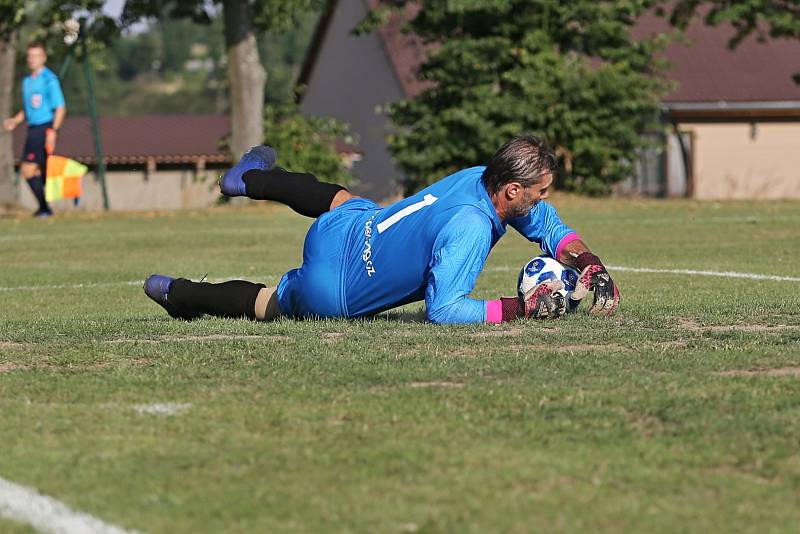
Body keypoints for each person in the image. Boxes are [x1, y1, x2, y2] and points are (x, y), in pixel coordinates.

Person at [144, 134, 620, 324]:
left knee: (348, 202)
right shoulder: (473, 228)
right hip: (333, 293)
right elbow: (445, 311)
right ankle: (180, 293)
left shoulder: (480, 177)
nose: (544, 199)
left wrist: (588, 262)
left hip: (342, 233)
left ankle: (246, 179)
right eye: (539, 191)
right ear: (513, 191)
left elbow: (548, 226)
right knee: (270, 303)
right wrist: (522, 308)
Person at [3, 42, 67, 217]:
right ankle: (45, 207)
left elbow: (60, 107)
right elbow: (28, 108)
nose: (32, 59)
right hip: (32, 128)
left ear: (44, 58)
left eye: (36, 56)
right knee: (38, 170)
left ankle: (45, 208)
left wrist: (53, 131)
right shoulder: (26, 82)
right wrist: (15, 121)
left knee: (28, 169)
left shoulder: (49, 79)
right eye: (30, 56)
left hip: (44, 127)